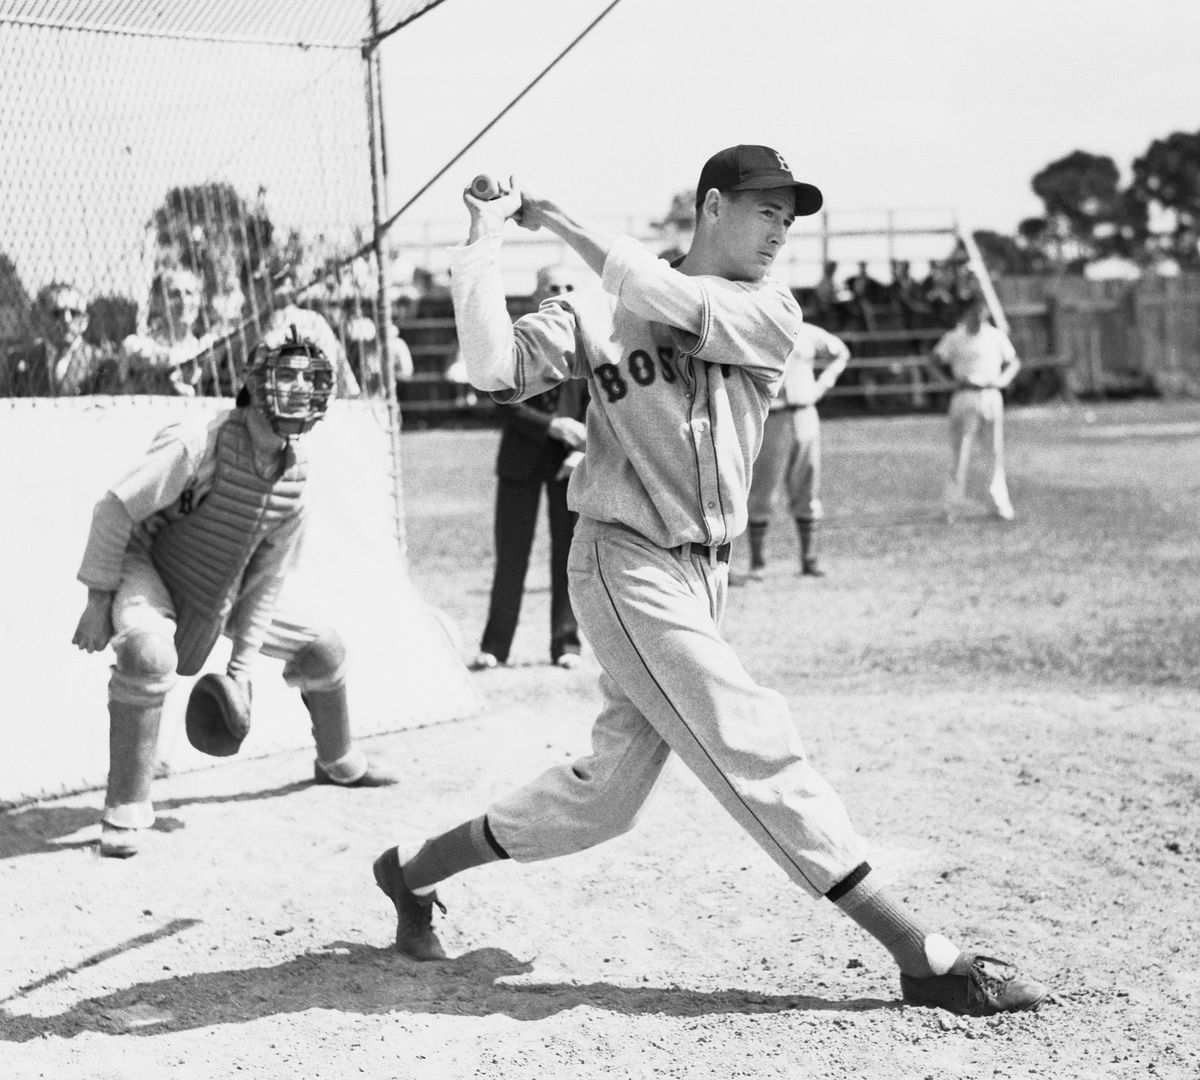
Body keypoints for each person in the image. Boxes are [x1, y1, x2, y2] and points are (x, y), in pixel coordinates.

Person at [370, 146, 1050, 1016]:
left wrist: (568, 221)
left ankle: (411, 873)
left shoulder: (769, 310)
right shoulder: (594, 301)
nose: (779, 230)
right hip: (624, 559)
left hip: (705, 573)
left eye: (788, 216)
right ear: (713, 206)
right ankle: (920, 952)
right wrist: (482, 242)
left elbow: (668, 299)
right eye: (765, 210)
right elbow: (493, 369)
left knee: (605, 801)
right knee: (749, 733)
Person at [70, 325, 396, 859]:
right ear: (253, 379)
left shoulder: (297, 479)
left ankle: (338, 760)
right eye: (285, 374)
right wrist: (98, 600)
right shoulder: (196, 440)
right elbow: (113, 508)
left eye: (311, 379)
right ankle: (126, 808)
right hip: (150, 562)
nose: (298, 389)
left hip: (222, 584)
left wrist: (241, 676)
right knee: (150, 655)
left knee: (324, 649)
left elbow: (266, 581)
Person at [471, 265, 591, 671]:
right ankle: (495, 646)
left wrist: (581, 451)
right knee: (511, 557)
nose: (561, 292)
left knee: (568, 556)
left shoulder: (591, 338)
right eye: (552, 286)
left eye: (569, 286)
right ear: (537, 292)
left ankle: (566, 644)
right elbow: (501, 395)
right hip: (520, 459)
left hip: (569, 463)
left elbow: (603, 402)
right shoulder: (514, 336)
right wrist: (551, 425)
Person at [739, 312, 851, 581]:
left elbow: (841, 353)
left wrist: (822, 385)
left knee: (807, 482)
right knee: (762, 486)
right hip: (772, 415)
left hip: (804, 411)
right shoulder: (755, 330)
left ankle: (809, 558)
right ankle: (758, 561)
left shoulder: (808, 333)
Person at [932, 292, 1021, 522]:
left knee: (994, 451)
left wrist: (1002, 381)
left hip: (990, 394)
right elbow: (933, 360)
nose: (980, 317)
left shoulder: (995, 336)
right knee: (959, 453)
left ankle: (999, 502)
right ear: (965, 313)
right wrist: (948, 383)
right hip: (965, 394)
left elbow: (1013, 361)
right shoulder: (955, 337)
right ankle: (951, 505)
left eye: (983, 312)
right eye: (975, 312)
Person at [7, 283, 120, 398]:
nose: (66, 320)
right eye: (56, 313)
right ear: (42, 319)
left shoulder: (102, 363)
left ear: (85, 321)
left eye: (74, 312)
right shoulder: (19, 359)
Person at [121, 267, 209, 396]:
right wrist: (178, 359)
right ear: (158, 301)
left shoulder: (202, 347)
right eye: (175, 294)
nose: (184, 301)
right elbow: (131, 352)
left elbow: (212, 359)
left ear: (199, 300)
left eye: (189, 293)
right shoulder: (141, 345)